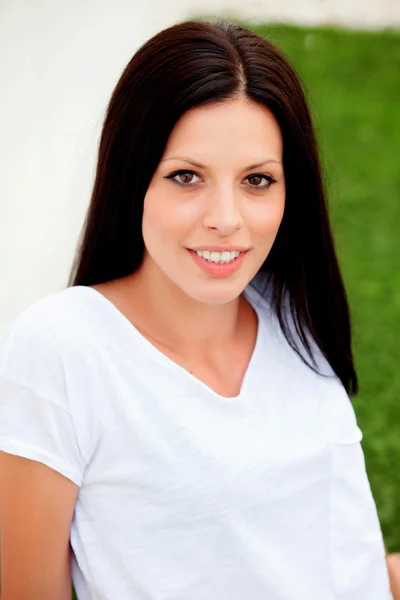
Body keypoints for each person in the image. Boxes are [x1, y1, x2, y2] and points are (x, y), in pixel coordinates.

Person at [0, 18, 395, 600]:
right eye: (186, 176)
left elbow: (321, 546)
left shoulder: (291, 317)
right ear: (133, 176)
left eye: (257, 180)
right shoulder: (65, 349)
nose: (227, 218)